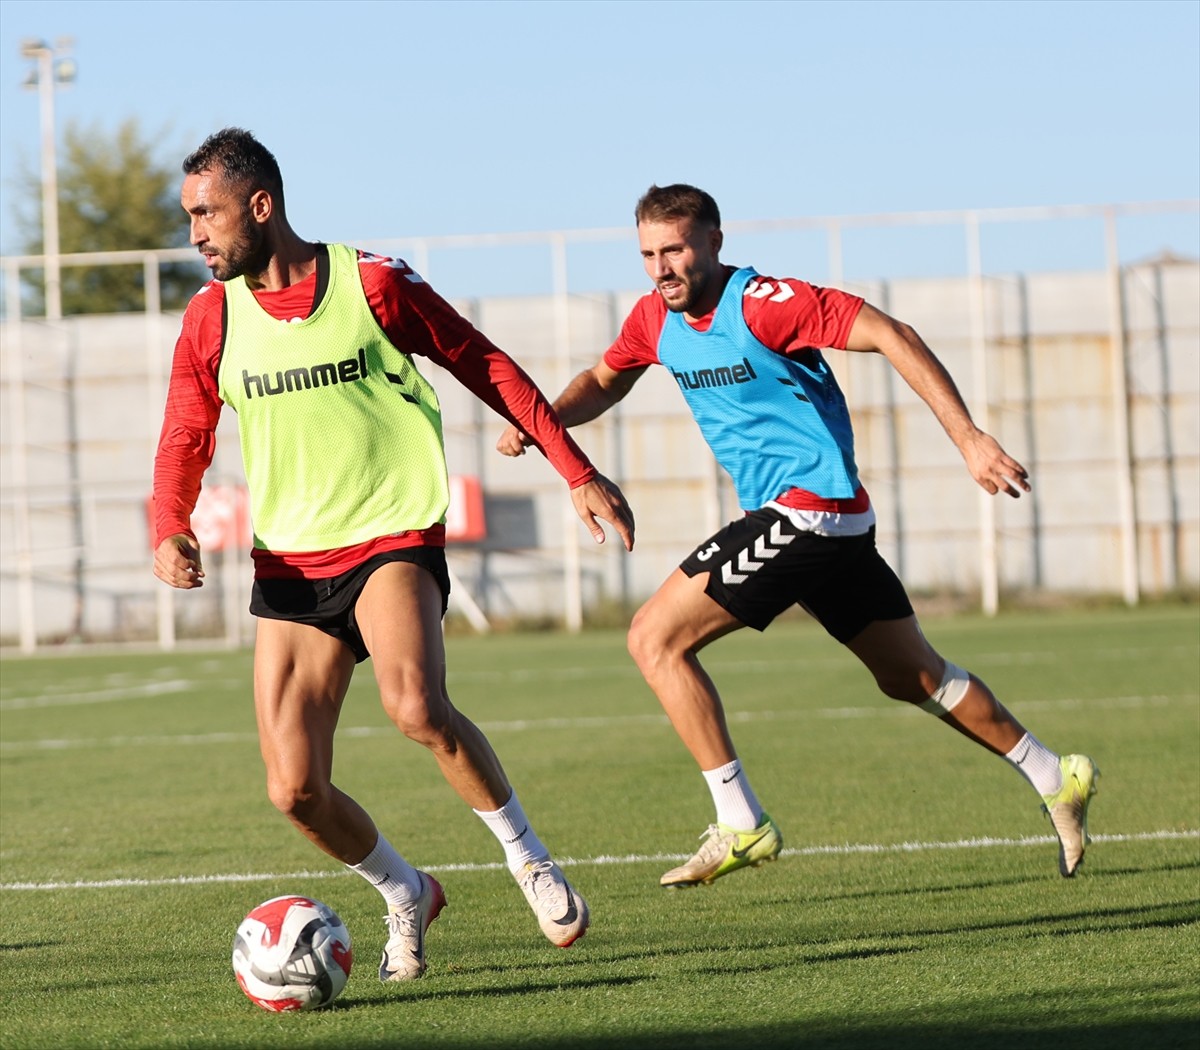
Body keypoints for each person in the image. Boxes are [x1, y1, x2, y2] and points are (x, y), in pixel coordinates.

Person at [498, 183, 1098, 888]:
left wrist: (967, 438)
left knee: (653, 639)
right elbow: (606, 379)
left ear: (715, 243)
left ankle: (741, 821)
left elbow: (891, 333)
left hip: (809, 510)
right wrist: (549, 422)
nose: (662, 266)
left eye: (677, 249)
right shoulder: (653, 320)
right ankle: (1056, 774)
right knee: (912, 676)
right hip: (826, 525)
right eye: (649, 253)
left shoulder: (765, 302)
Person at [153, 128, 636, 980]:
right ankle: (406, 889)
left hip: (391, 534)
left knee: (415, 706)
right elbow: (186, 432)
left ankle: (528, 856)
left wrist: (576, 469)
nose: (195, 231)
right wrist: (169, 523)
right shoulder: (210, 317)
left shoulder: (372, 283)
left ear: (260, 207)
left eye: (207, 213)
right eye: (189, 214)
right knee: (293, 791)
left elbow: (482, 362)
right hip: (292, 565)